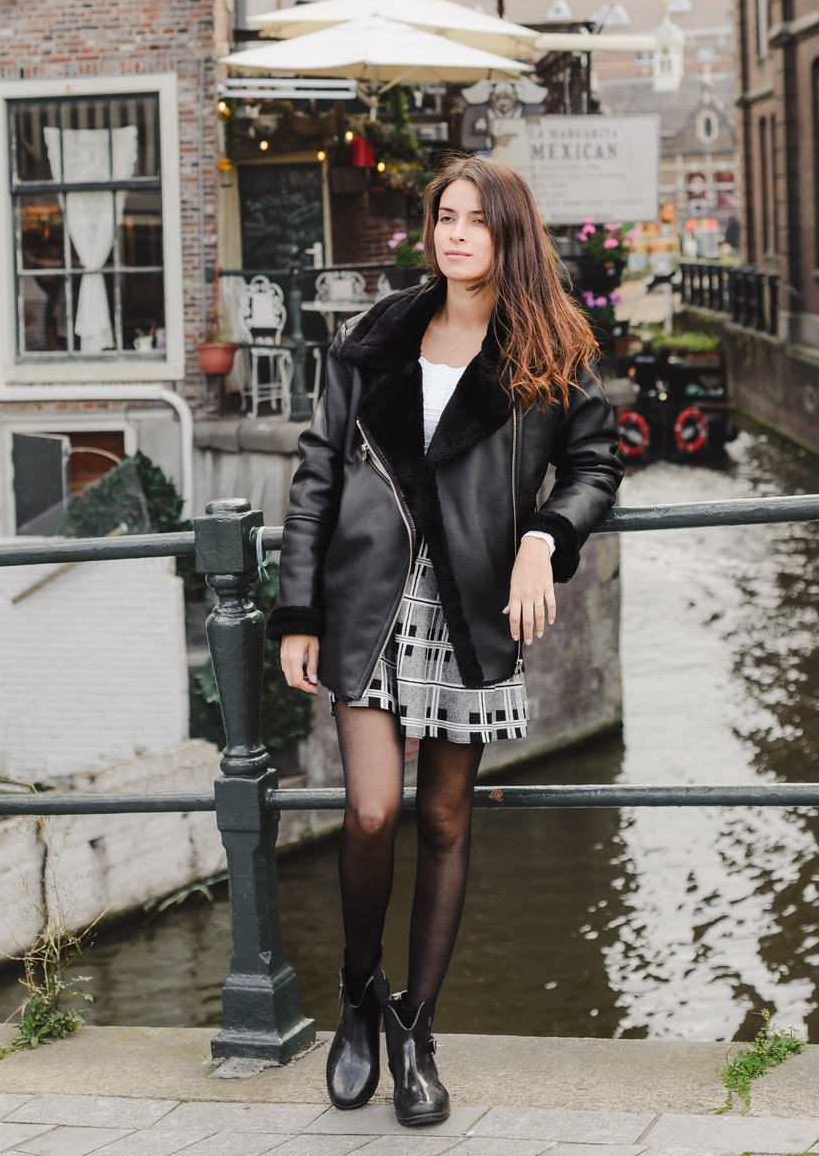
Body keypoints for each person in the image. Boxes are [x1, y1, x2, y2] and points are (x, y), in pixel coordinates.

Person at [267, 154, 623, 1127]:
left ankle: (415, 1031)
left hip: (470, 610)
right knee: (374, 811)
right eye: (443, 217)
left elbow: (596, 466)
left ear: (510, 234)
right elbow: (314, 480)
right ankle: (355, 996)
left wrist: (545, 540)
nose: (455, 233)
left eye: (475, 220)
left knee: (445, 820)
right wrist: (298, 609)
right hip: (369, 600)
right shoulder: (373, 339)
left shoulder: (551, 347)